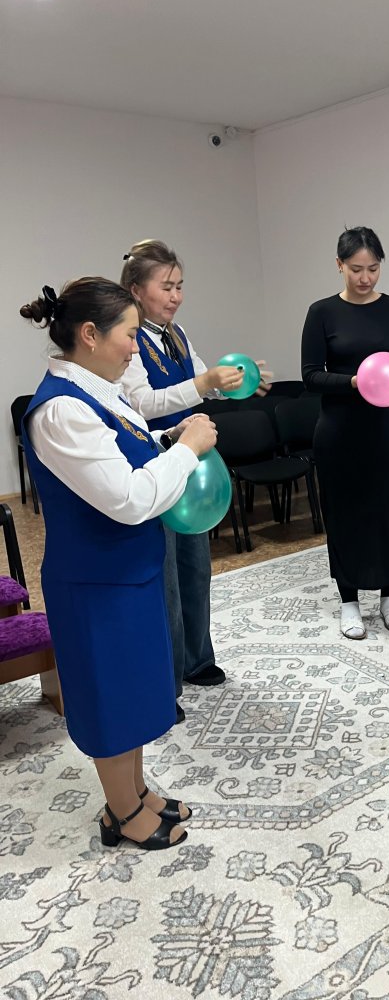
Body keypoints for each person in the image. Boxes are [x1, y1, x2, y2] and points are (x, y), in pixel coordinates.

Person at [21, 277, 218, 848]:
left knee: (134, 688)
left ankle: (136, 791)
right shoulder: (60, 410)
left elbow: (126, 449)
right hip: (95, 581)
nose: (136, 348)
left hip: (127, 570)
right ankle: (122, 812)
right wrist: (187, 451)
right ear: (90, 334)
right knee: (110, 696)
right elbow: (128, 498)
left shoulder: (100, 390)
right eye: (130, 335)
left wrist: (167, 439)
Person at [120, 240, 270, 724]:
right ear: (136, 290)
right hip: (158, 458)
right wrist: (204, 385)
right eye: (166, 287)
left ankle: (197, 659)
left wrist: (233, 382)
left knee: (195, 564)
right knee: (165, 575)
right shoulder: (129, 341)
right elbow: (142, 402)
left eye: (180, 286)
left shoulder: (177, 334)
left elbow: (203, 379)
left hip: (195, 459)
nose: (176, 296)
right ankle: (164, 684)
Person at [301, 226, 389, 639]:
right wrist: (355, 382)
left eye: (373, 268)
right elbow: (310, 376)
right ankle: (349, 601)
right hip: (340, 431)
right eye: (356, 269)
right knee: (345, 514)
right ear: (339, 265)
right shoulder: (321, 312)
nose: (365, 277)